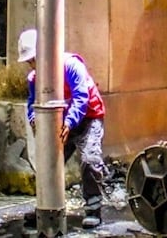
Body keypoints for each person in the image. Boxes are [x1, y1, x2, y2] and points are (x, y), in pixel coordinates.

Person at [18, 28, 108, 229]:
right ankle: (47, 208)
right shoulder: (34, 79)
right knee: (49, 163)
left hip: (88, 118)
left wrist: (69, 122)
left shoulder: (71, 65)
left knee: (89, 160)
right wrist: (34, 119)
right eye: (30, 61)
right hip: (61, 122)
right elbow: (32, 103)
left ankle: (93, 209)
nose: (33, 65)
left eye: (35, 58)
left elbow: (81, 97)